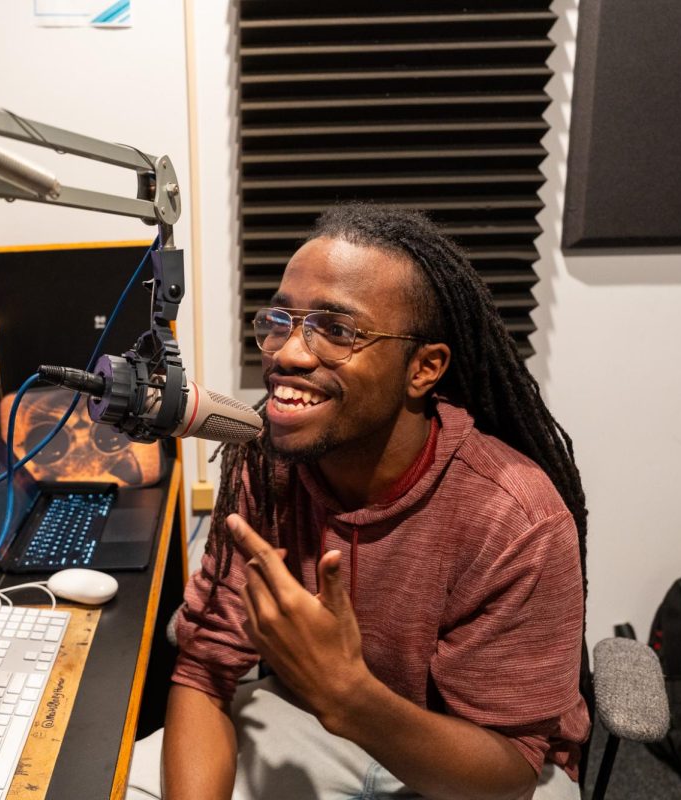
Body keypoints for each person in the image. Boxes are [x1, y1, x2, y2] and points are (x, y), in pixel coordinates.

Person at [127, 204, 591, 800]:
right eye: (279, 321)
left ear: (424, 369)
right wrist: (333, 699)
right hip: (314, 720)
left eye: (338, 330)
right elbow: (204, 669)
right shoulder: (265, 461)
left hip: (476, 760)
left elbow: (510, 773)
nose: (288, 355)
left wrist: (348, 695)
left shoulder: (517, 516)